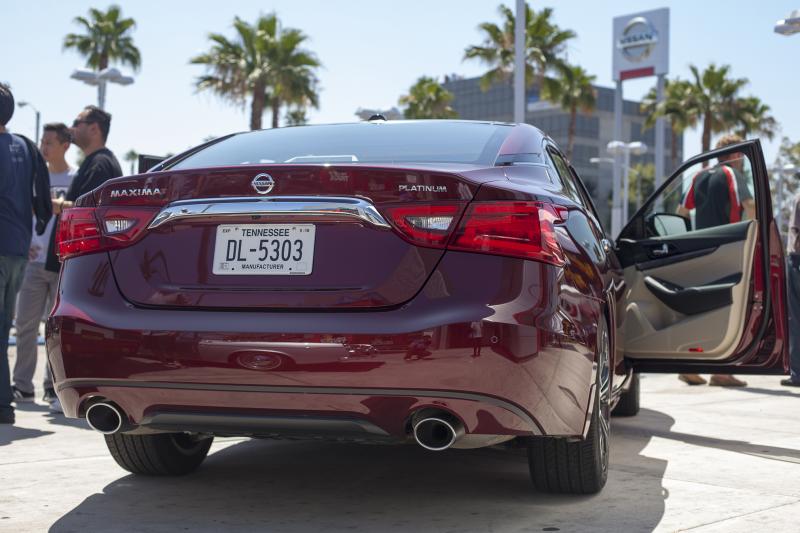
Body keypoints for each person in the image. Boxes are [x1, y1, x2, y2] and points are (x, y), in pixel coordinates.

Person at [676, 134, 750, 387]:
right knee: (726, 309)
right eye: (740, 155)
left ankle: (690, 367)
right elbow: (750, 207)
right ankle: (721, 372)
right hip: (729, 247)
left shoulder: (699, 175)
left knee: (699, 308)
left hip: (700, 249)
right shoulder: (731, 174)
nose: (742, 161)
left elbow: (682, 212)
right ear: (733, 155)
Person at [12, 123, 75, 412]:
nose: (43, 146)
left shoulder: (76, 178)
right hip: (34, 263)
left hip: (62, 264)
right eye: (42, 141)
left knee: (55, 330)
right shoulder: (36, 176)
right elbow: (22, 211)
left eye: (49, 141)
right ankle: (22, 385)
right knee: (25, 324)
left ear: (65, 145)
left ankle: (53, 387)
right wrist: (25, 242)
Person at [0, 83, 52, 424]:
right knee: (5, 327)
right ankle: (4, 404)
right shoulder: (26, 146)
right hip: (17, 250)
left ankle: (4, 405)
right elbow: (43, 202)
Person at [44, 106, 122, 275]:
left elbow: (90, 211)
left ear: (94, 128)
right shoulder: (95, 161)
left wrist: (59, 205)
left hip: (83, 265)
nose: (71, 128)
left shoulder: (100, 164)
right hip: (78, 262)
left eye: (76, 123)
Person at [781, 187, 800, 387]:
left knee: (795, 318)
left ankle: (797, 374)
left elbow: (797, 232)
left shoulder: (799, 198)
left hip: (798, 260)